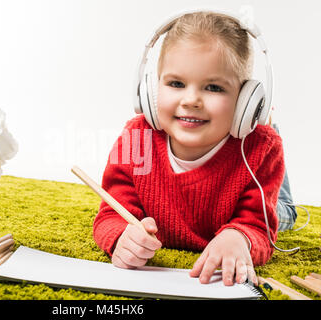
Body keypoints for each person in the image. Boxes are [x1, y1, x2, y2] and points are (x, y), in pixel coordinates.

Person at [93, 11, 296, 287]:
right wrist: (120, 236)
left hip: (250, 166)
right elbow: (110, 214)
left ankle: (272, 124)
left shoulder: (261, 149)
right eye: (176, 84)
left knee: (283, 214)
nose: (191, 100)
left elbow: (259, 226)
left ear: (245, 102)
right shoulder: (136, 137)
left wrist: (240, 236)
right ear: (150, 91)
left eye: (213, 87)